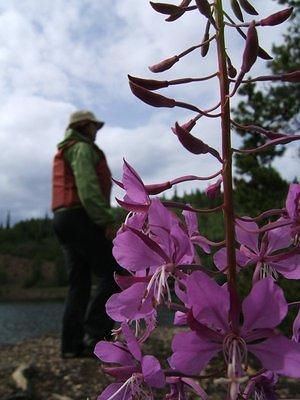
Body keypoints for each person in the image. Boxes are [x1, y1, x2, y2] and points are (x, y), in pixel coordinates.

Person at [52, 110, 119, 358]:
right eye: (93, 126)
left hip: (63, 219)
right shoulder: (81, 149)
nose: (96, 130)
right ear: (83, 126)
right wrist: (107, 220)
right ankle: (96, 338)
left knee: (78, 285)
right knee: (114, 275)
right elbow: (89, 190)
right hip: (82, 216)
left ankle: (71, 346)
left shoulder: (68, 148)